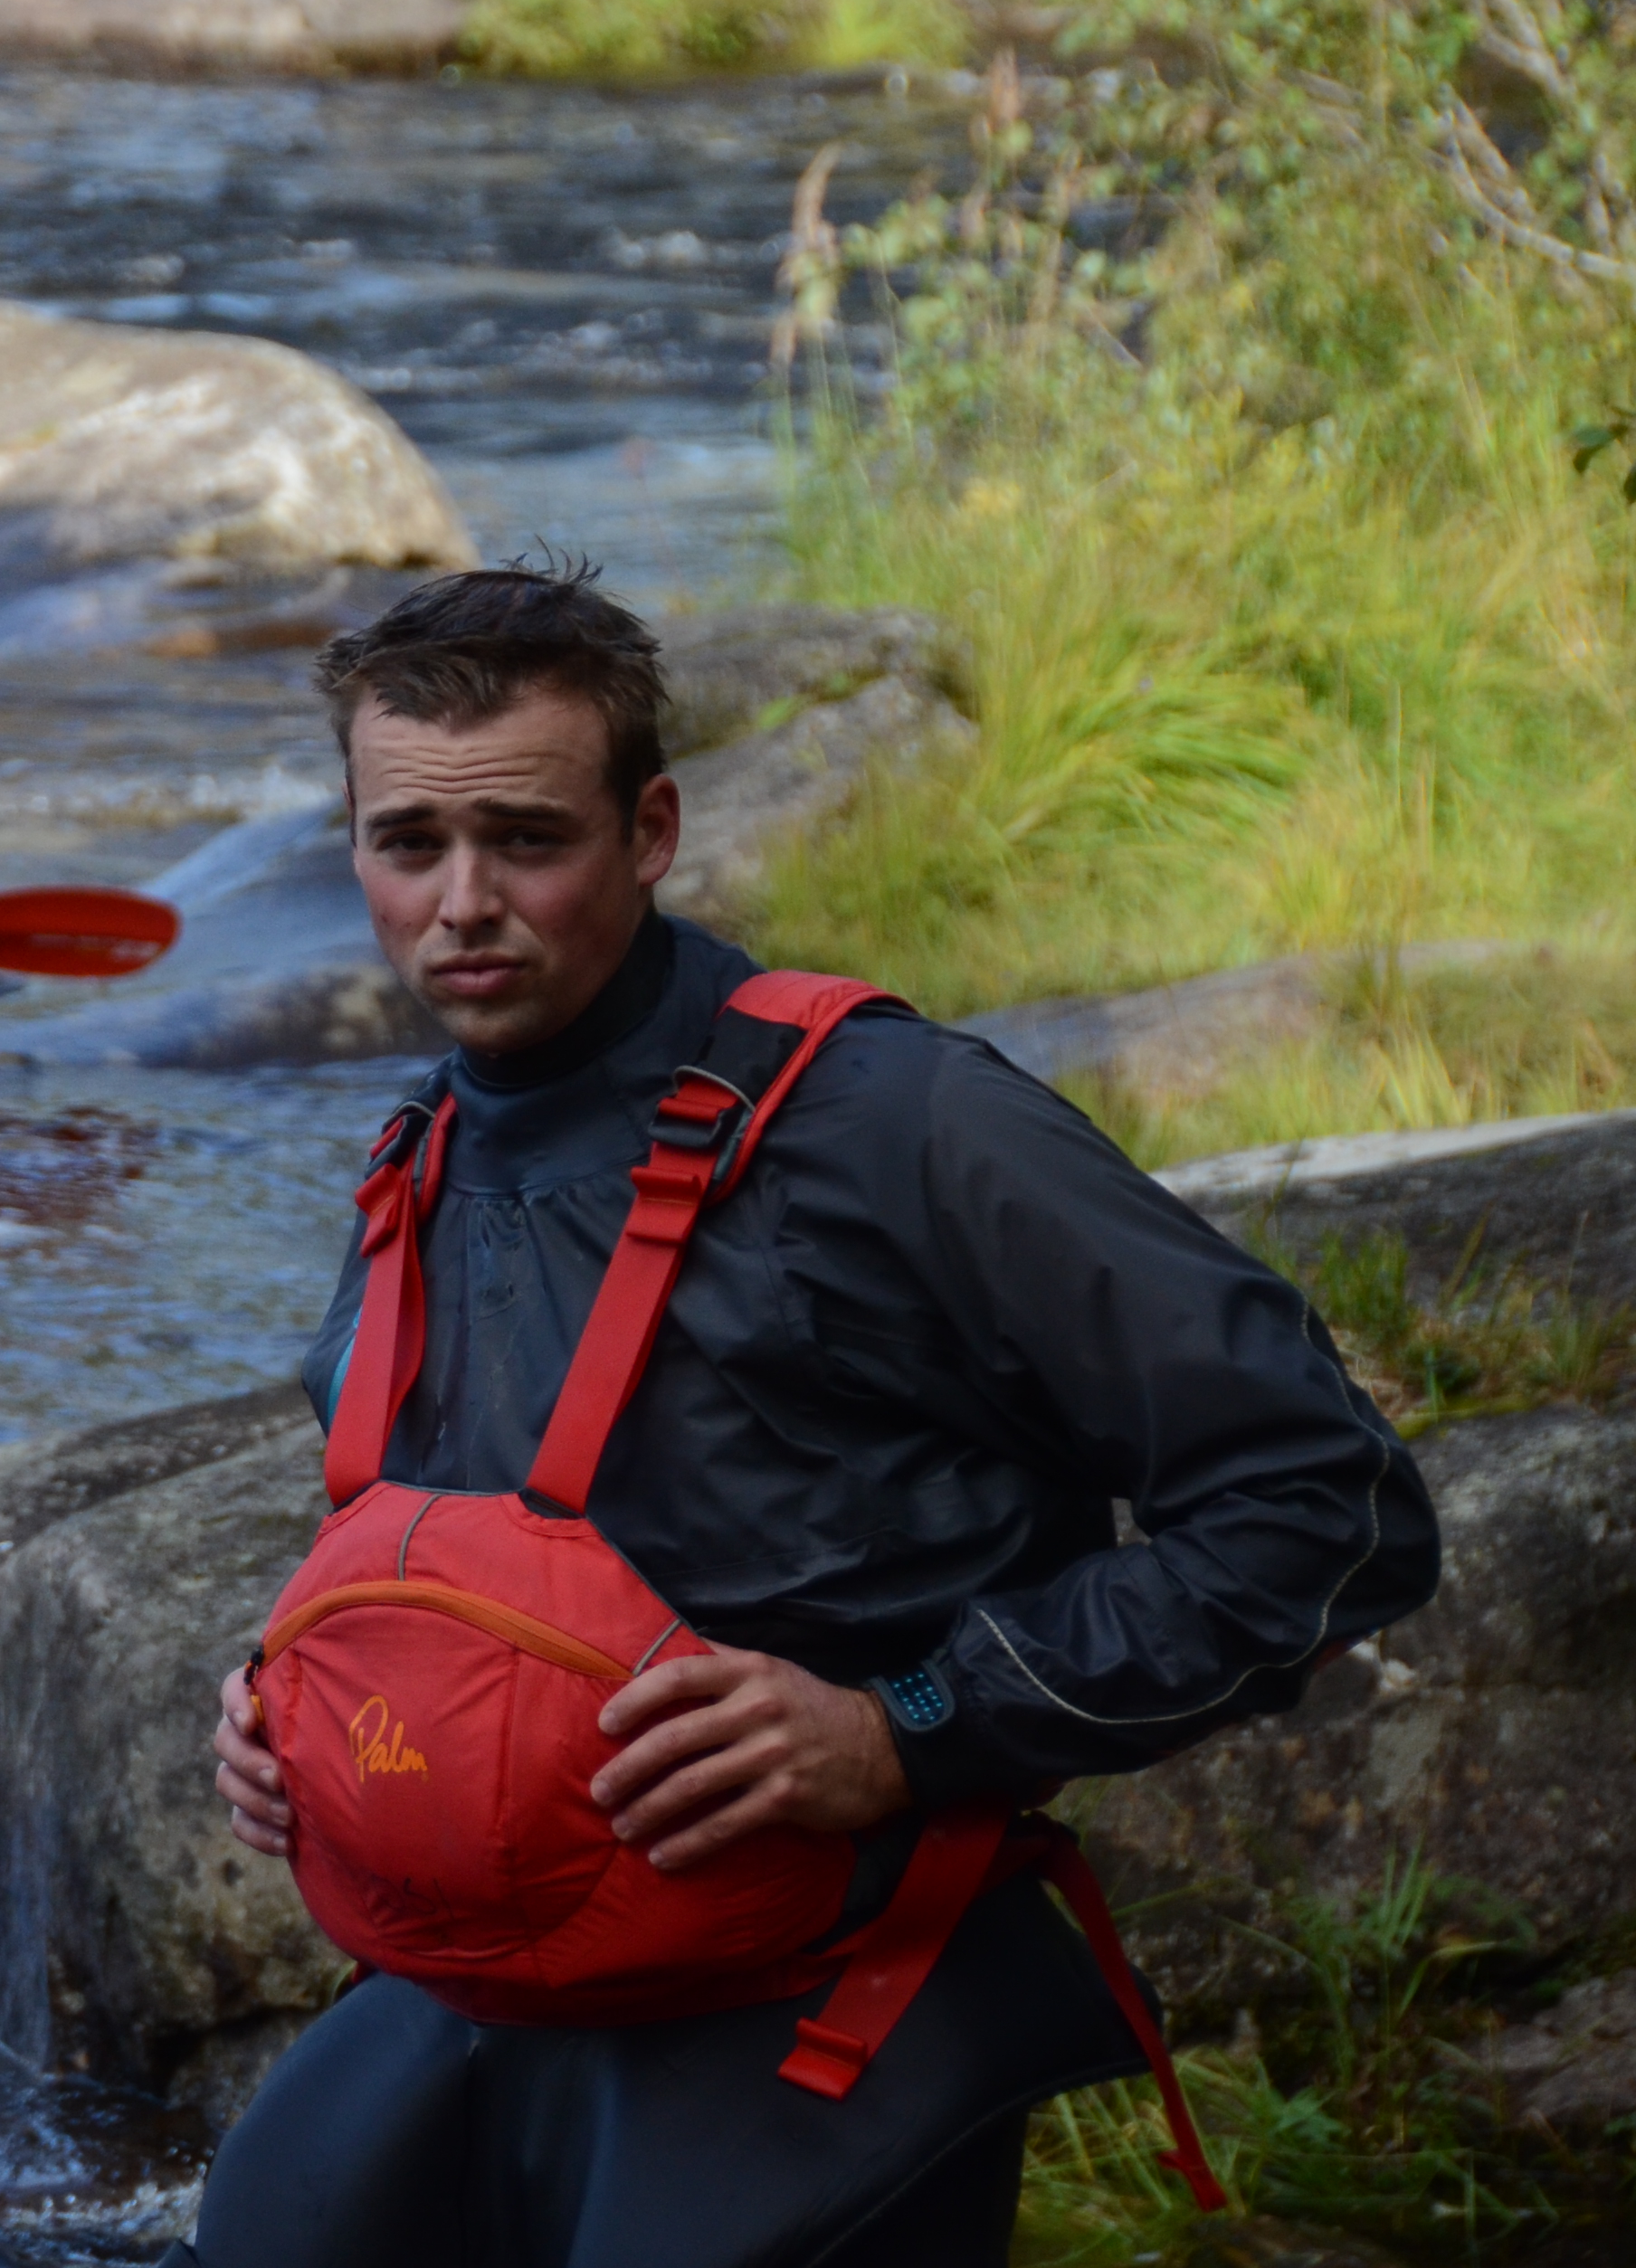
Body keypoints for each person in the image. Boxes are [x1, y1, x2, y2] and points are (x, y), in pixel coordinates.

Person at [182, 562, 1440, 2268]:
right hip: (484, 1982)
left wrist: (899, 1726)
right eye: (407, 844)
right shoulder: (417, 1150)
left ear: (651, 829)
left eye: (526, 838)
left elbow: (1322, 1505)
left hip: (828, 1989)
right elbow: (432, 1553)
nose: (461, 902)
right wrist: (286, 1704)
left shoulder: (899, 1124)